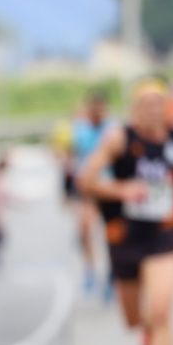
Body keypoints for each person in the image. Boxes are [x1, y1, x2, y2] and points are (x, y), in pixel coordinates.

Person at [79, 77, 173, 345]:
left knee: (162, 311)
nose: (152, 111)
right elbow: (86, 179)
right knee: (135, 319)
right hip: (126, 238)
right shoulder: (120, 138)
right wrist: (122, 190)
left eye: (158, 103)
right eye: (145, 105)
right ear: (134, 110)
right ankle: (147, 332)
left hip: (164, 236)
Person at [71, 91, 112, 295]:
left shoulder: (112, 130)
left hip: (108, 187)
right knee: (85, 229)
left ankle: (111, 274)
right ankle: (90, 270)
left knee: (110, 233)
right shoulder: (80, 129)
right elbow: (74, 157)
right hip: (87, 188)